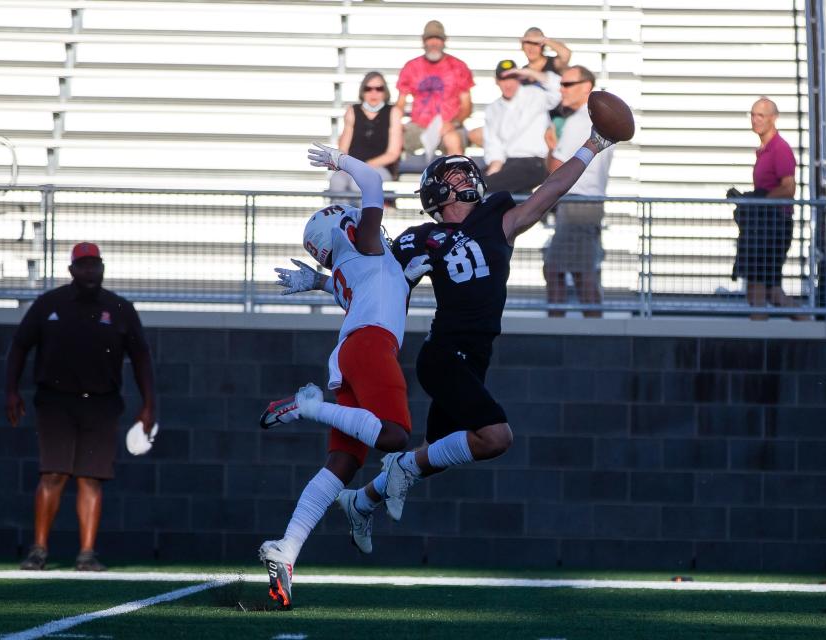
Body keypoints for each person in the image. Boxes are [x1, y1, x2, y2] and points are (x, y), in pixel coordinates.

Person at [334, 120, 618, 555]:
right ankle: (400, 468)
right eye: (453, 175)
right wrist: (323, 282)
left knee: (435, 454)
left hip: (475, 358)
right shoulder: (420, 238)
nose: (466, 176)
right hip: (444, 354)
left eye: (466, 172)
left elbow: (551, 191)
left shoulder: (496, 223)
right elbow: (373, 282)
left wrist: (592, 145)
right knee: (495, 437)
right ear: (435, 193)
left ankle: (362, 501)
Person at [256, 143, 425, 609]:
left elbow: (358, 281)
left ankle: (286, 550)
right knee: (394, 437)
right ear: (344, 229)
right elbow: (373, 181)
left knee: (343, 465)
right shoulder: (366, 244)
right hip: (370, 347)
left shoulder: (352, 268)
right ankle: (304, 407)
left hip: (349, 353)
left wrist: (316, 281)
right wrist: (341, 162)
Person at [4, 242, 156, 572]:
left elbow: (141, 357)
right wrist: (11, 391)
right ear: (72, 270)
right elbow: (19, 346)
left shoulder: (118, 308)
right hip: (55, 402)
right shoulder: (50, 304)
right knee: (53, 473)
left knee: (91, 478)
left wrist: (148, 406)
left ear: (103, 268)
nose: (90, 271)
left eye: (95, 265)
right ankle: (39, 550)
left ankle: (86, 553)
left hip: (101, 404)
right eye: (83, 265)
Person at [542, 65, 614, 318]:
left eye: (567, 84)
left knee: (561, 271)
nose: (562, 90)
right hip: (587, 204)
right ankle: (589, 327)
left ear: (586, 87)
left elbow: (558, 170)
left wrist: (550, 147)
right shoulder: (598, 121)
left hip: (578, 204)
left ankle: (561, 327)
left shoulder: (578, 121)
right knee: (578, 271)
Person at [737, 96, 806, 320]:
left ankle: (758, 342)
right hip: (763, 225)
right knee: (768, 291)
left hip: (774, 226)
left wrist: (760, 199)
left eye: (761, 116)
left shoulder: (780, 149)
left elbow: (788, 188)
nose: (755, 120)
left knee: (760, 290)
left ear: (773, 118)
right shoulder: (765, 150)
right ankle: (807, 322)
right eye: (753, 115)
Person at [396, 20, 474, 158]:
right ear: (423, 41)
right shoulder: (411, 67)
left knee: (453, 140)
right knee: (393, 138)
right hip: (419, 126)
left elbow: (466, 106)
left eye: (437, 39)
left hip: (448, 126)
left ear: (444, 41)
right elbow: (400, 104)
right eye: (430, 39)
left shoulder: (458, 66)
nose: (433, 43)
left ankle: (456, 177)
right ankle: (387, 176)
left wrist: (453, 123)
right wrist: (396, 124)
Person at [481, 59, 561, 193]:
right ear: (497, 81)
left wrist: (530, 72)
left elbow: (559, 88)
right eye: (503, 79)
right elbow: (493, 143)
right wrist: (495, 164)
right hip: (508, 163)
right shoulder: (493, 108)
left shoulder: (535, 95)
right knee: (471, 184)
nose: (508, 84)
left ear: (519, 78)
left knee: (485, 187)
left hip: (534, 162)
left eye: (512, 78)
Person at [329, 71, 403, 197]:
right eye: (368, 89)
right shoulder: (352, 111)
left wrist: (363, 167)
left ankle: (363, 217)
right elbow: (343, 149)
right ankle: (340, 216)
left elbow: (393, 153)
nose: (373, 93)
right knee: (337, 181)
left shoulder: (393, 112)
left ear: (385, 92)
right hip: (352, 166)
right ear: (362, 92)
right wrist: (350, 166)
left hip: (380, 167)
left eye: (379, 89)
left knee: (358, 183)